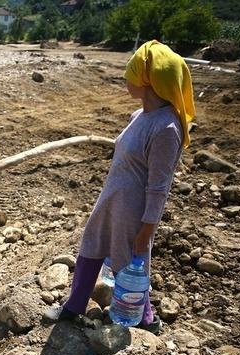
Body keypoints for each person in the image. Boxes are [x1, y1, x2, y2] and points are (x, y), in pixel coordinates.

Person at [56, 40, 195, 334]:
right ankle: (74, 307)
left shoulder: (166, 128)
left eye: (132, 74)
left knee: (128, 264)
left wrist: (147, 229)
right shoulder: (138, 116)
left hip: (133, 209)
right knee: (91, 245)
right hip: (112, 198)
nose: (126, 79)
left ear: (149, 82)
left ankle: (145, 320)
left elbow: (159, 186)